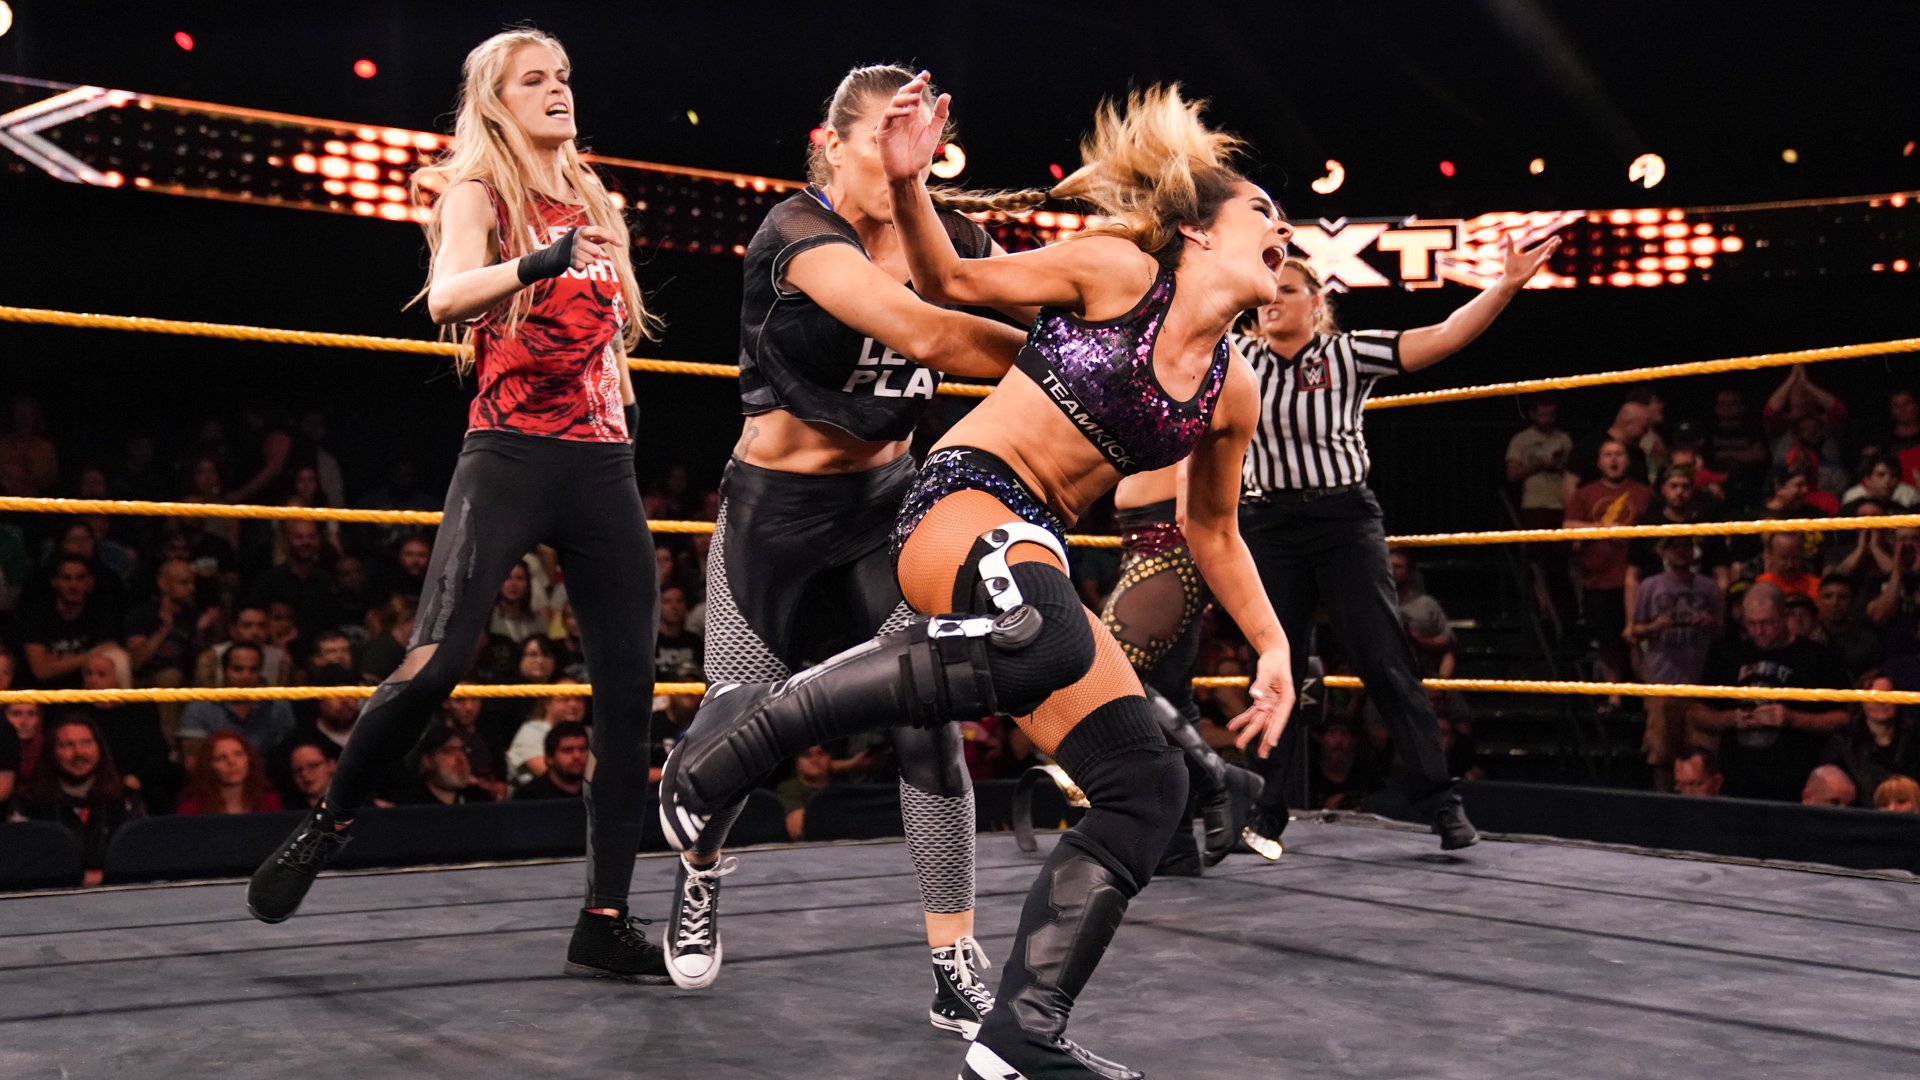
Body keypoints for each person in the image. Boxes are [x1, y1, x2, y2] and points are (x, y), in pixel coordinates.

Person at [659, 77, 1301, 1080]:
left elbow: (1212, 530)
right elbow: (951, 286)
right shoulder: (1120, 269)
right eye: (1264, 210)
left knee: (1148, 785)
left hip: (1032, 543)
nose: (1285, 230)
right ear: (1198, 230)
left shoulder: (1236, 388)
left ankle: (1018, 1036)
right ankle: (754, 739)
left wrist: (1272, 647)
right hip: (963, 496)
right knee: (1045, 628)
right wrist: (911, 185)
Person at [248, 28, 669, 985]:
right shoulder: (478, 193)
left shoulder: (597, 200)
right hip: (511, 453)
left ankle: (604, 917)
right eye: (535, 80)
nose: (558, 91)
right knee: (437, 661)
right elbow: (446, 298)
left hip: (602, 463)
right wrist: (539, 261)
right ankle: (330, 820)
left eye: (564, 76)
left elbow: (613, 344)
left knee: (628, 700)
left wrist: (627, 439)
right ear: (495, 101)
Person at [656, 64, 1028, 1032]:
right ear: (832, 146)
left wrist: (1133, 321)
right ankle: (699, 872)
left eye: (919, 152)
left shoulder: (949, 240)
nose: (905, 167)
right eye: (881, 144)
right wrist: (1067, 363)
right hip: (773, 518)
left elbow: (1048, 295)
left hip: (884, 510)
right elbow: (923, 331)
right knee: (733, 733)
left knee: (928, 716)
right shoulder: (795, 231)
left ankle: (953, 958)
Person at [1235, 230, 1558, 855]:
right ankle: (1267, 809)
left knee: (1383, 656)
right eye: (1267, 291)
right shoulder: (1237, 357)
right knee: (1276, 666)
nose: (1272, 300)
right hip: (1268, 525)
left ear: (1316, 303)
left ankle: (1441, 803)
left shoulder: (1348, 352)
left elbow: (1444, 335)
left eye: (1288, 290)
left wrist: (1506, 284)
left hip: (1341, 519)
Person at [1098, 463, 1248, 873]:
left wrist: (1190, 522)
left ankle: (1221, 778)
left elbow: (1195, 440)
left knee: (1107, 674)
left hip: (1170, 537)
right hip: (1149, 533)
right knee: (1171, 696)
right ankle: (1175, 844)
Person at [1689, 584, 1850, 801]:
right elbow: (1697, 714)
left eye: (1767, 623)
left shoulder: (1818, 657)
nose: (1759, 631)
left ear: (1785, 615)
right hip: (1737, 780)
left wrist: (1793, 719)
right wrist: (1731, 718)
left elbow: (1842, 718)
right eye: (1751, 623)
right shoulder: (1727, 653)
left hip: (1794, 782)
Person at [1626, 537, 1724, 789]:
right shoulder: (1650, 586)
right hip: (1662, 681)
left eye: (1685, 546)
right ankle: (1664, 802)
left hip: (1699, 682)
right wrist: (1654, 626)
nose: (1681, 552)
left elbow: (1722, 631)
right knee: (1660, 752)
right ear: (1663, 552)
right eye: (1674, 547)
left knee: (1701, 753)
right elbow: (1634, 630)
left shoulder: (1709, 587)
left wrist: (1709, 623)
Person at [16, 714, 144, 886]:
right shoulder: (29, 802)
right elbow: (24, 865)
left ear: (100, 748)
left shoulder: (124, 797)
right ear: (51, 752)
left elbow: (140, 856)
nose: (79, 753)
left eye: (86, 743)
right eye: (67, 745)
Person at [177, 730, 283, 814]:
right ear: (209, 766)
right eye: (221, 758)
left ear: (249, 759)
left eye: (238, 754)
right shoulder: (191, 809)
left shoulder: (269, 802)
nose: (231, 762)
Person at [515, 720, 588, 799]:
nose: (577, 756)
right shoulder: (528, 797)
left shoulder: (596, 792)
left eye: (583, 749)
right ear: (550, 758)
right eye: (568, 750)